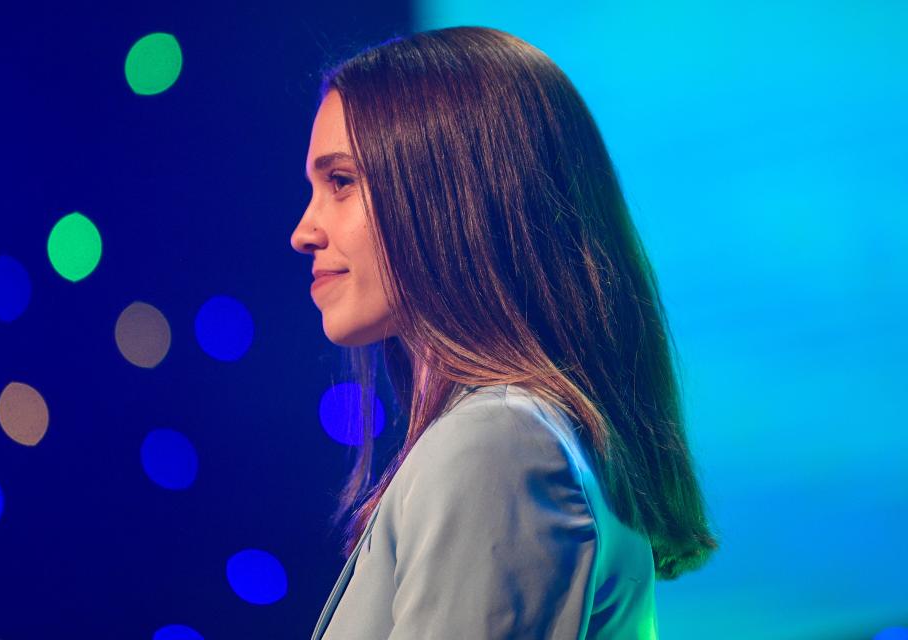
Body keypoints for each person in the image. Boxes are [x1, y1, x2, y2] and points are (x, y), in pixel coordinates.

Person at [290, 25, 719, 639]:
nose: (304, 231)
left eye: (340, 182)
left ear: (451, 191)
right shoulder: (510, 436)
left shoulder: (498, 444)